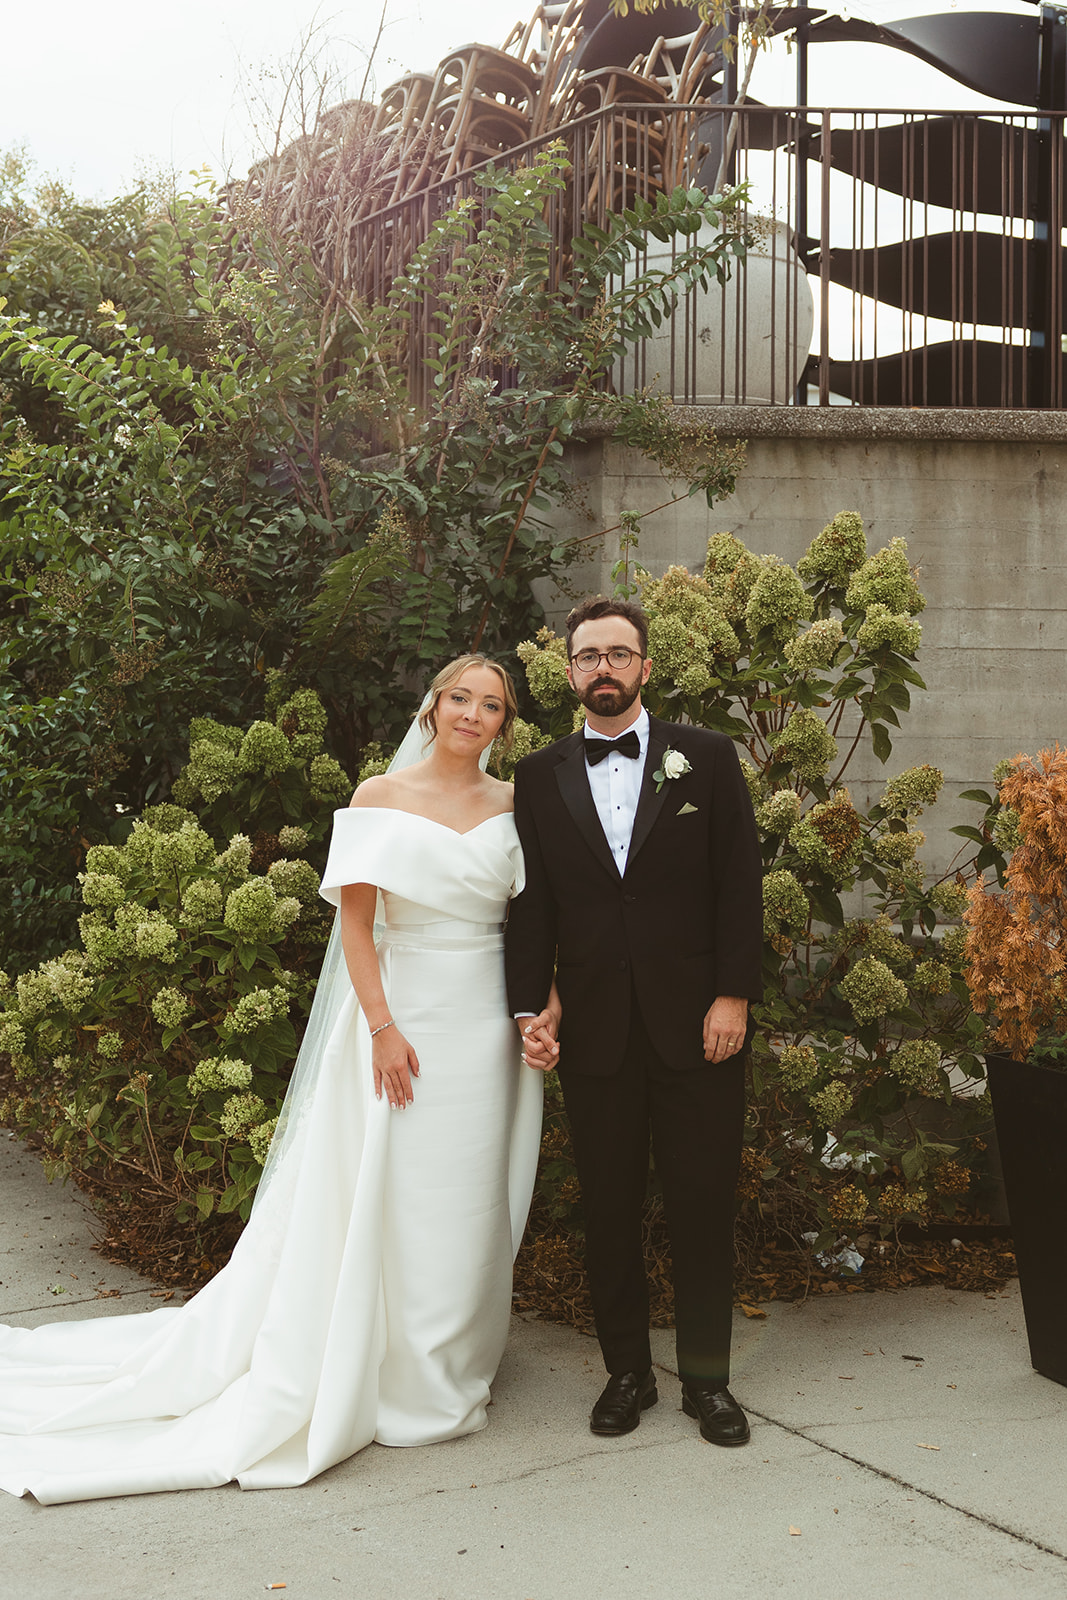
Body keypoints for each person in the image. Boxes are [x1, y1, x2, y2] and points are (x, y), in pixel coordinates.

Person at [0, 656, 543, 1503]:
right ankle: (376, 1361)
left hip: (486, 1024)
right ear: (433, 707)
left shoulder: (515, 808)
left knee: (470, 1194)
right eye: (460, 699)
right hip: (406, 1018)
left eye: (491, 706)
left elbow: (538, 925)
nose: (472, 714)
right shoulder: (377, 798)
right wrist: (383, 1029)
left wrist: (538, 1015)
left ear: (504, 724)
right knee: (389, 1191)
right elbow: (358, 930)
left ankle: (445, 1367)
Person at [505, 596, 763, 1447]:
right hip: (596, 1033)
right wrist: (527, 1004)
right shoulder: (537, 777)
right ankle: (626, 1373)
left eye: (619, 654)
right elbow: (533, 904)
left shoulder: (708, 758)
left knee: (699, 1203)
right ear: (569, 673)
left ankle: (707, 1385)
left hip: (699, 1026)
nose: (604, 668)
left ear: (646, 667)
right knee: (608, 1207)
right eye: (589, 656)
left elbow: (738, 886)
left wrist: (733, 995)